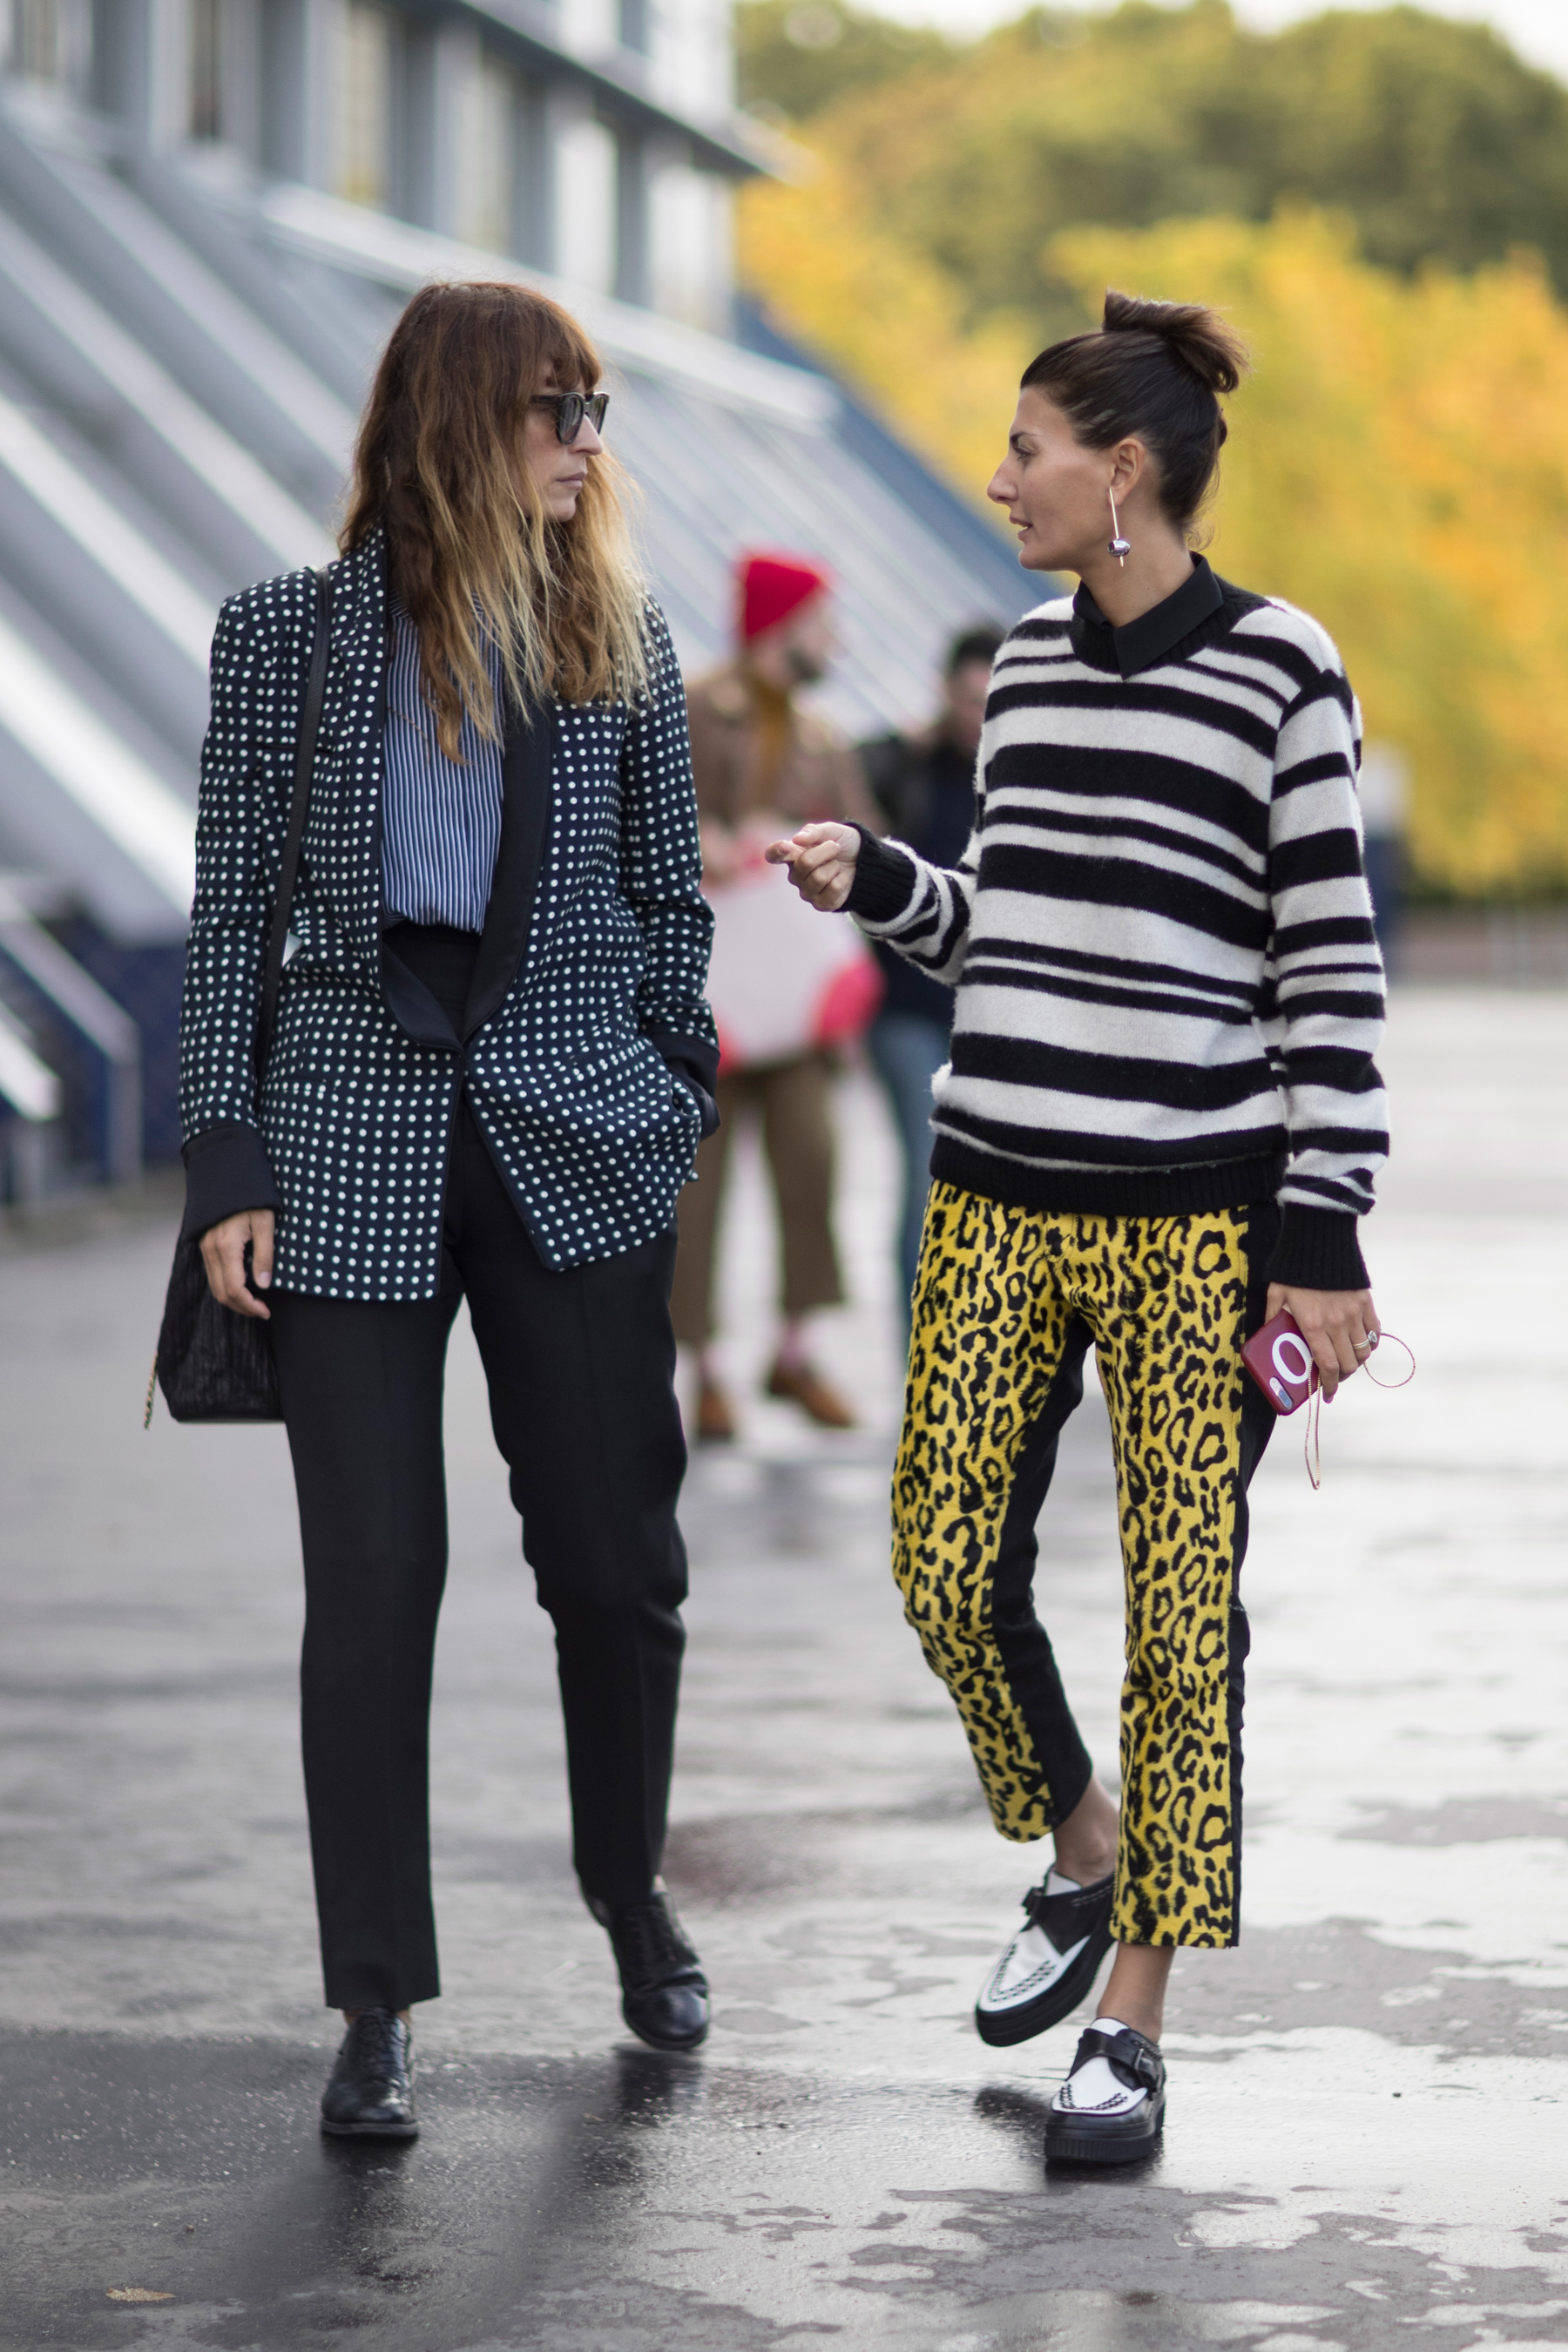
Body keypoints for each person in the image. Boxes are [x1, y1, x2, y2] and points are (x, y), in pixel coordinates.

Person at [768, 290, 1388, 2166]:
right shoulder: (1026, 667)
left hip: (1200, 1221)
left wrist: (1324, 1233)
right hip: (993, 1192)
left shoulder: (1286, 671)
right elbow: (1016, 929)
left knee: (1179, 1624)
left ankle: (1134, 2012)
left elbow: (1329, 972)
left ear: (1123, 471)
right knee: (943, 1557)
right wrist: (889, 883)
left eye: (1026, 449)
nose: (996, 477)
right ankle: (1082, 1841)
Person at [179, 282, 719, 2139]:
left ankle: (627, 1891)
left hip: (575, 1138)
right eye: (561, 407)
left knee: (612, 1566)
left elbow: (671, 899)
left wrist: (671, 1092)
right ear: (461, 417)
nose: (589, 439)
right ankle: (376, 2002)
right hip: (341, 1138)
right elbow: (230, 912)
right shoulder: (286, 637)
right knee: (374, 1587)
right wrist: (222, 1162)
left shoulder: (619, 646)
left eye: (601, 407)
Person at [672, 553, 878, 1443]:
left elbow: (874, 848)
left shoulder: (824, 737)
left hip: (791, 1006)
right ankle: (705, 1369)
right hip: (707, 1000)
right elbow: (633, 822)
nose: (831, 640)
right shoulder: (691, 708)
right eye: (818, 622)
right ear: (777, 626)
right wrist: (708, 843)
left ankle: (793, 1351)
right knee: (699, 1190)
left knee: (813, 1163)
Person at [860, 625, 1004, 1316]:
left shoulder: (1018, 780)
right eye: (965, 696)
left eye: (988, 700)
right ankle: (917, 1346)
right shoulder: (904, 768)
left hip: (989, 1015)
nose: (974, 714)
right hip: (905, 1008)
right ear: (944, 692)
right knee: (927, 1170)